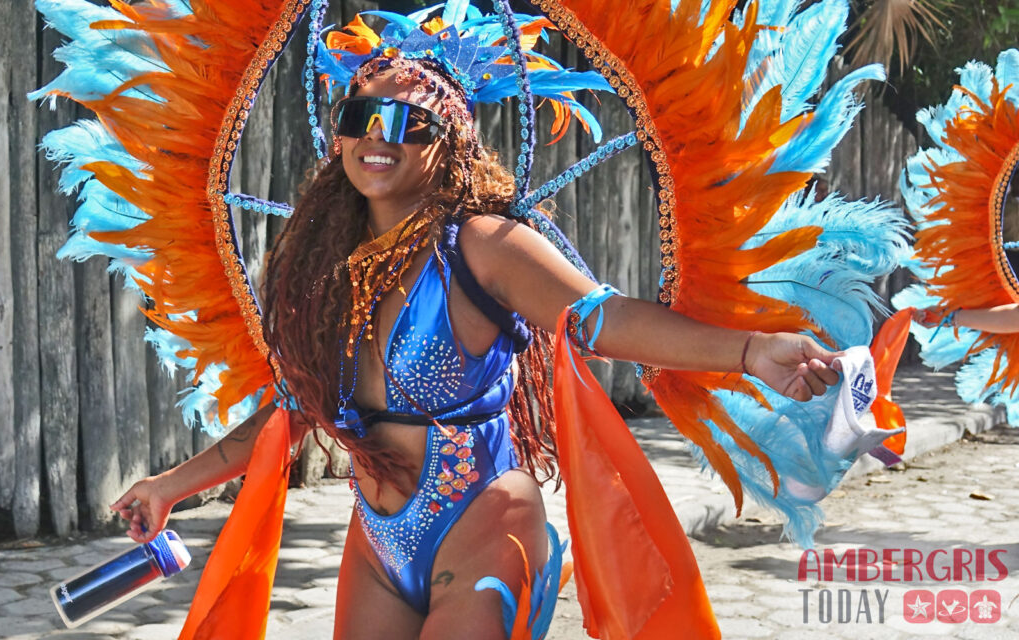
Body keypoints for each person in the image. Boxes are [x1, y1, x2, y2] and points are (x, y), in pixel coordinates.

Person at [108, 52, 844, 637]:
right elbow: (289, 411)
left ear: (449, 142)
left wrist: (747, 352)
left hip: (488, 529)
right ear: (338, 134)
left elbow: (603, 321)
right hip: (378, 544)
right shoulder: (329, 273)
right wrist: (171, 486)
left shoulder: (484, 246)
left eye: (409, 123)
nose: (379, 136)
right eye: (362, 115)